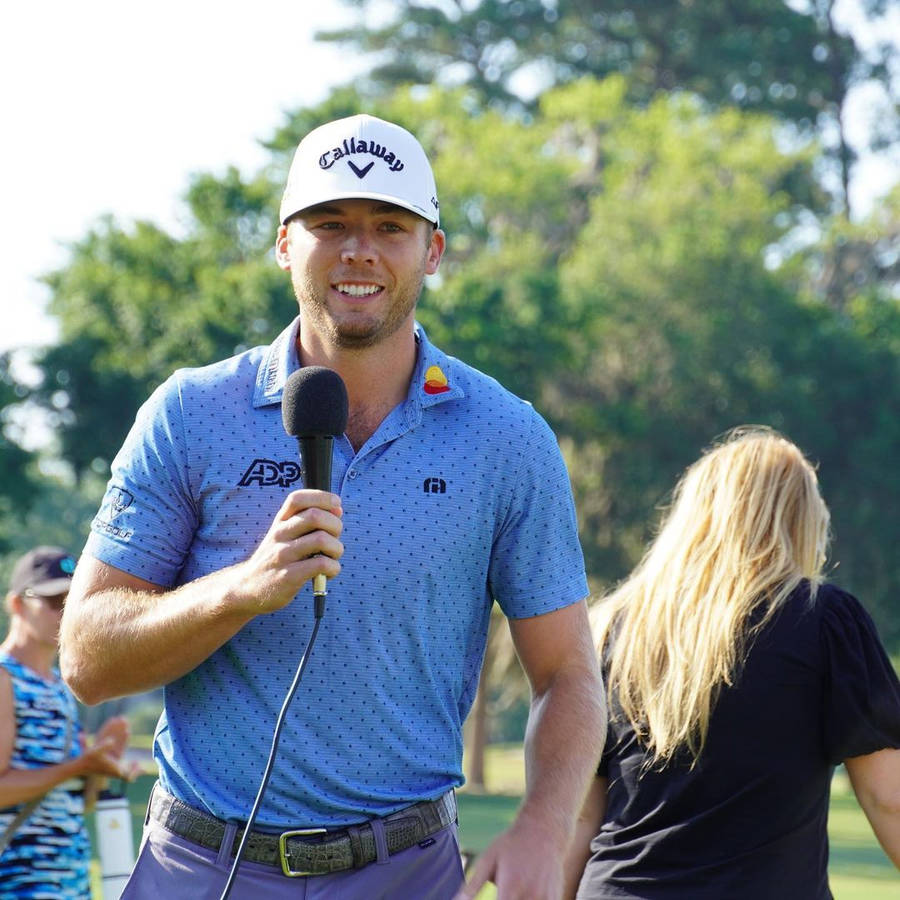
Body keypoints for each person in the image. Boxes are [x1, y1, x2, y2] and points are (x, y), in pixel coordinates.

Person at [58, 113, 605, 900]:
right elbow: (86, 660)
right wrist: (241, 590)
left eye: (390, 226)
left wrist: (546, 827)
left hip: (405, 870)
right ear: (285, 244)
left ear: (433, 251)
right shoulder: (192, 413)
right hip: (204, 864)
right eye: (331, 224)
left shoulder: (505, 437)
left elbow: (568, 674)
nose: (359, 250)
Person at [562, 427, 900, 899]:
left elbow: (581, 816)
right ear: (801, 519)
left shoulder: (612, 629)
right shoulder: (826, 621)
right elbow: (888, 799)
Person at [0, 546, 135, 899]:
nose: (66, 612)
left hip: (71, 884)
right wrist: (80, 765)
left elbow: (77, 804)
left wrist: (99, 765)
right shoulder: (3, 678)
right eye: (53, 600)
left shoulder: (62, 686)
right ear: (16, 604)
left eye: (73, 599)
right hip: (17, 883)